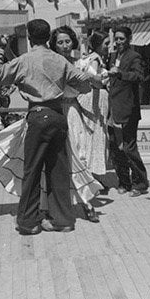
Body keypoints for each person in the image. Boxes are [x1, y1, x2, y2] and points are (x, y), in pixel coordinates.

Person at [0, 19, 104, 235]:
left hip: (37, 116)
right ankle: (63, 220)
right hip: (58, 116)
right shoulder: (59, 60)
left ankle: (29, 223)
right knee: (59, 169)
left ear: (29, 38)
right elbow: (84, 83)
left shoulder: (24, 61)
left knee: (33, 170)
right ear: (48, 38)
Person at [51, 27, 108, 222]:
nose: (65, 45)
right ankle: (53, 204)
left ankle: (87, 203)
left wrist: (92, 77)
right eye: (60, 42)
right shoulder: (52, 64)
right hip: (55, 110)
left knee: (79, 154)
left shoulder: (82, 62)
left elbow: (99, 82)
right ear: (54, 45)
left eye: (67, 41)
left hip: (73, 112)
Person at [106, 25, 149, 197]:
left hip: (128, 109)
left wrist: (121, 73)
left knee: (129, 148)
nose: (118, 42)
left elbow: (139, 76)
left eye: (121, 39)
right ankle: (124, 181)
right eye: (116, 39)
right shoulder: (113, 55)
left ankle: (140, 183)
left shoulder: (134, 56)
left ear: (129, 39)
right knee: (115, 148)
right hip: (113, 107)